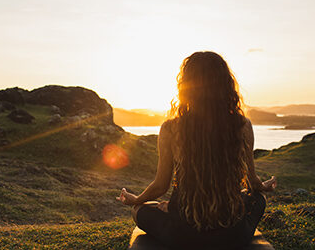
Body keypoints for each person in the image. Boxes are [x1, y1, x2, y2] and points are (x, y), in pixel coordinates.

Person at [117, 51, 277, 249]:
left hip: (181, 234)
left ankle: (174, 210)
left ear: (186, 87)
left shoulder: (170, 128)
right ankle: (178, 211)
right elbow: (253, 184)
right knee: (258, 199)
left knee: (139, 210)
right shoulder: (242, 125)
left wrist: (137, 200)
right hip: (232, 234)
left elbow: (160, 186)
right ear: (226, 85)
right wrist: (265, 187)